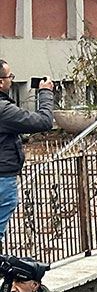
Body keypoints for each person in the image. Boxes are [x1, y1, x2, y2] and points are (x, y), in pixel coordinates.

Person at [0, 66, 53, 244]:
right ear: (1, 82)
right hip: (2, 177)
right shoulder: (3, 110)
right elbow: (43, 121)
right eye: (10, 77)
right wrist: (45, 93)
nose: (11, 80)